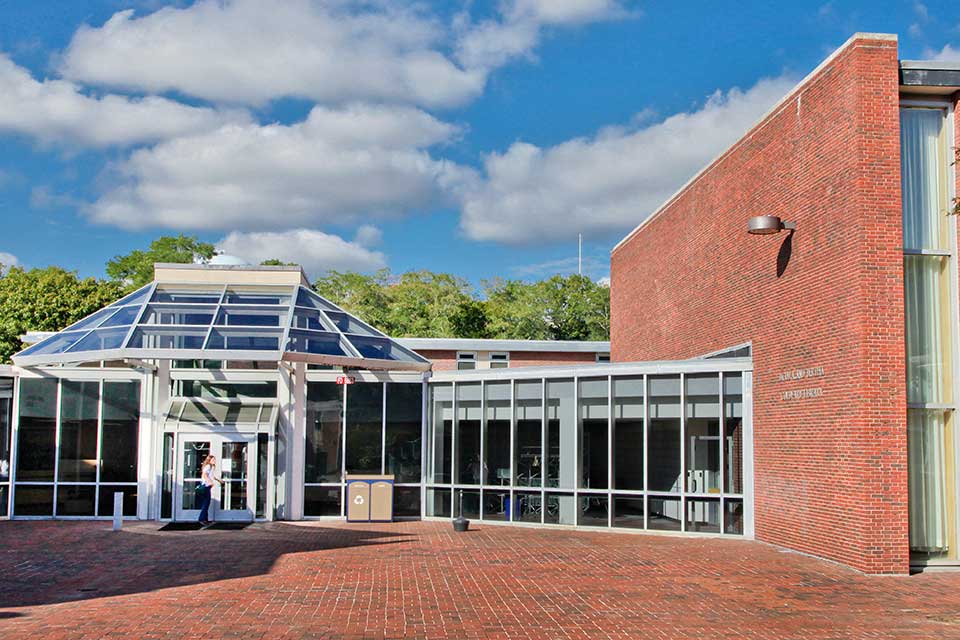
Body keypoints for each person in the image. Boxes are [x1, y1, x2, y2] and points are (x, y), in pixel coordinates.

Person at [198, 454, 224, 526]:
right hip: (205, 486)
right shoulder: (208, 466)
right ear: (209, 460)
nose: (214, 461)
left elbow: (212, 475)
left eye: (215, 460)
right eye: (213, 460)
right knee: (206, 503)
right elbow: (204, 475)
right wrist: (210, 482)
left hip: (208, 487)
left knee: (207, 503)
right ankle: (201, 519)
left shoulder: (212, 467)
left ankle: (205, 519)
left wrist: (219, 480)